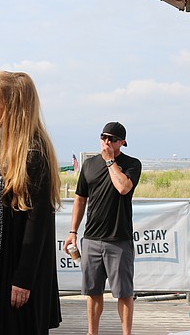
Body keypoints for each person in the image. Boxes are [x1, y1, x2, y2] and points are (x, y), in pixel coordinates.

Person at [0, 70, 62, 335]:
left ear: (14, 106)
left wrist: (23, 278)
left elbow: (38, 221)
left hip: (14, 275)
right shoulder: (5, 147)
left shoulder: (33, 152)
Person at [63, 121, 142, 335]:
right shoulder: (89, 165)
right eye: (103, 137)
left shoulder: (132, 164)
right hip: (91, 239)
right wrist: (72, 232)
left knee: (124, 292)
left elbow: (123, 187)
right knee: (93, 291)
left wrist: (110, 162)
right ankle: (92, 332)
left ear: (122, 142)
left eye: (112, 139)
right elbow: (80, 200)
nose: (106, 142)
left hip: (119, 238)